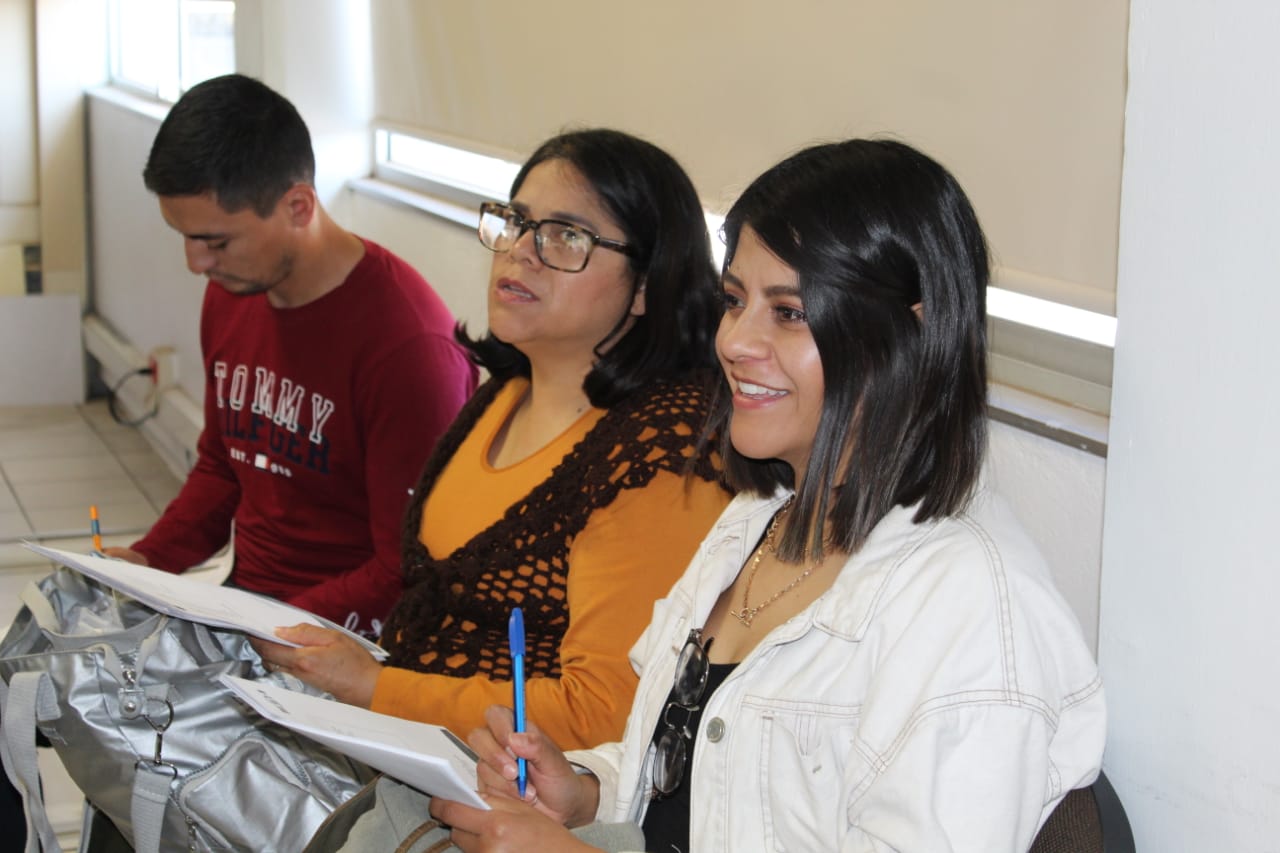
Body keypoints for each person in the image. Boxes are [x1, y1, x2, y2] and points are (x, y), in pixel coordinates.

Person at [430, 139, 1107, 852]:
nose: (734, 341)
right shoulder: (757, 519)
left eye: (789, 313)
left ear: (907, 333)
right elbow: (691, 781)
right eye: (734, 301)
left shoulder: (970, 607)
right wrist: (583, 791)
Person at [257, 128, 733, 749]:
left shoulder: (661, 453)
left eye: (567, 236)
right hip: (404, 746)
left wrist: (376, 687)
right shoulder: (509, 388)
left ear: (647, 284)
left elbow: (606, 711)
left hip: (513, 787)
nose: (521, 253)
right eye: (517, 222)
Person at [102, 74, 478, 635]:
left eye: (216, 242)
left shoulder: (411, 351)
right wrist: (148, 560)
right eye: (184, 237)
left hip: (354, 641)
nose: (195, 264)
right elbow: (223, 467)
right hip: (254, 610)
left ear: (298, 206)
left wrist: (262, 633)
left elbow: (406, 570)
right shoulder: (233, 291)